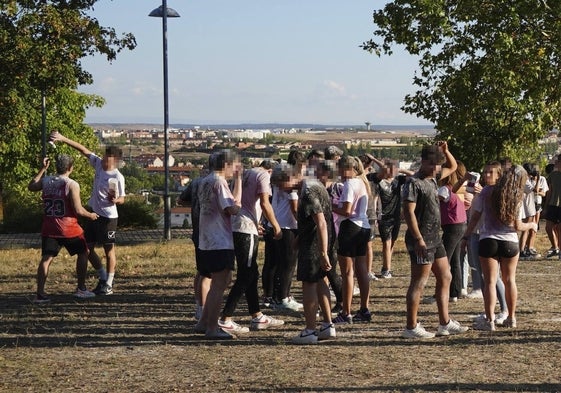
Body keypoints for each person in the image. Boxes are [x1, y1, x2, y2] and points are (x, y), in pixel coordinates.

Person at [401, 142, 469, 339]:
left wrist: (446, 151)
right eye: (431, 164)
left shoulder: (434, 178)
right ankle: (411, 327)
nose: (435, 168)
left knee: (445, 276)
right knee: (419, 282)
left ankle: (445, 323)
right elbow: (409, 213)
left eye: (437, 164)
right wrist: (418, 239)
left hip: (435, 238)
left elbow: (454, 166)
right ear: (422, 161)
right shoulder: (413, 183)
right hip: (421, 239)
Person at [462, 165, 537, 330]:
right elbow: (517, 225)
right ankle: (511, 317)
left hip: (488, 239)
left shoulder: (487, 191)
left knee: (489, 281)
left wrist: (466, 236)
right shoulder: (516, 195)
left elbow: (475, 217)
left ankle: (489, 320)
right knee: (510, 280)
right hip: (510, 241)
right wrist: (531, 224)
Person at [50, 131, 125, 295]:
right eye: (104, 157)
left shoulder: (118, 176)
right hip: (93, 213)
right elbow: (82, 149)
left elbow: (122, 199)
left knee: (109, 250)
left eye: (108, 159)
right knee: (87, 249)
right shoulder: (97, 163)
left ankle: (109, 284)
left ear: (115, 161)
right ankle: (103, 277)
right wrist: (63, 139)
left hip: (109, 217)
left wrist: (115, 200)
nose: (104, 160)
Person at [218, 160, 285, 334]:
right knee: (246, 274)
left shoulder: (245, 173)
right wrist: (276, 226)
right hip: (245, 229)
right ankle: (226, 317)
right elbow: (264, 203)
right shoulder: (263, 175)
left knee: (252, 273)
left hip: (237, 225)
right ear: (270, 171)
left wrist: (257, 222)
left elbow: (245, 203)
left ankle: (257, 315)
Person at [28, 155, 99, 303]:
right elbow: (78, 210)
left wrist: (42, 169)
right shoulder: (71, 184)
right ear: (70, 168)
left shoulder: (46, 181)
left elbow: (31, 186)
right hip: (69, 228)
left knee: (46, 258)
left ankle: (40, 293)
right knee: (83, 252)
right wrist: (91, 215)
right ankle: (81, 288)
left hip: (49, 227)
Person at [193, 150, 242, 339]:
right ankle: (212, 327)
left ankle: (203, 321)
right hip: (219, 240)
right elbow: (232, 208)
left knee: (219, 282)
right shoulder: (219, 183)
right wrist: (238, 183)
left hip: (206, 239)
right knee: (219, 286)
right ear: (226, 164)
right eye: (234, 166)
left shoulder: (205, 180)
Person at [291, 164, 337, 344]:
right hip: (320, 242)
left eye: (282, 183)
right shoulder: (317, 186)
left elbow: (321, 222)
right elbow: (312, 222)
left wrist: (323, 252)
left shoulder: (308, 192)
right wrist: (299, 237)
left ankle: (310, 330)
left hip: (314, 247)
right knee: (320, 280)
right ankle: (327, 325)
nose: (283, 189)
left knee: (309, 284)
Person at [332, 155, 372, 324]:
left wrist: (329, 206)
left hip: (350, 228)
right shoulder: (362, 182)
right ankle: (364, 308)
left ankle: (346, 311)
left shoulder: (349, 183)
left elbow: (347, 210)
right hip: (364, 227)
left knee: (347, 272)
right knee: (362, 271)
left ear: (347, 169)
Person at [367, 156, 412, 278]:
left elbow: (414, 175)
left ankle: (386, 267)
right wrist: (376, 215)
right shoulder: (378, 181)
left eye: (393, 169)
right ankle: (387, 270)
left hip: (395, 216)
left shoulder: (398, 180)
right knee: (386, 243)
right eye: (389, 169)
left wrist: (401, 170)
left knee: (392, 243)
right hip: (384, 217)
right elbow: (375, 199)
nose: (391, 172)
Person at [438, 162, 468, 302]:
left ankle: (440, 292)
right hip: (461, 224)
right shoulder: (456, 190)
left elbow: (434, 201)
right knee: (456, 260)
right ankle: (455, 292)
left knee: (444, 260)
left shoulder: (444, 189)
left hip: (451, 226)